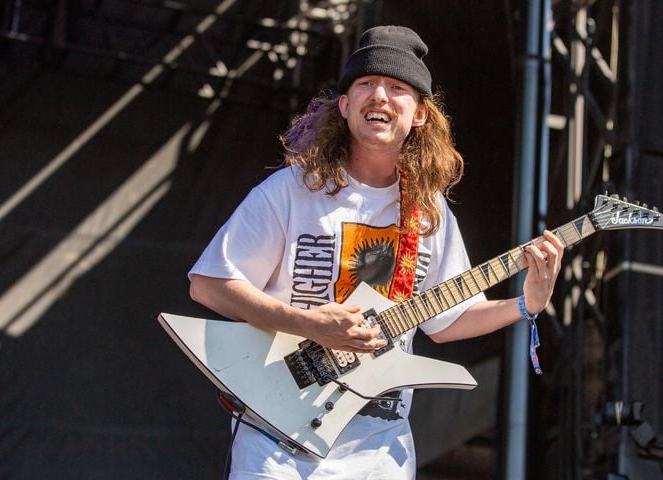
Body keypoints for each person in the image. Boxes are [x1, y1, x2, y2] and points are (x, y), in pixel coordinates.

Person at [188, 25, 564, 479]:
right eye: (365, 84)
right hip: (276, 438)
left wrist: (527, 303)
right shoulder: (291, 191)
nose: (379, 96)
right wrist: (308, 323)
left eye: (397, 87)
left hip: (377, 449)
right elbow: (209, 284)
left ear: (420, 114)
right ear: (344, 106)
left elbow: (446, 322)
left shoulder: (428, 212)